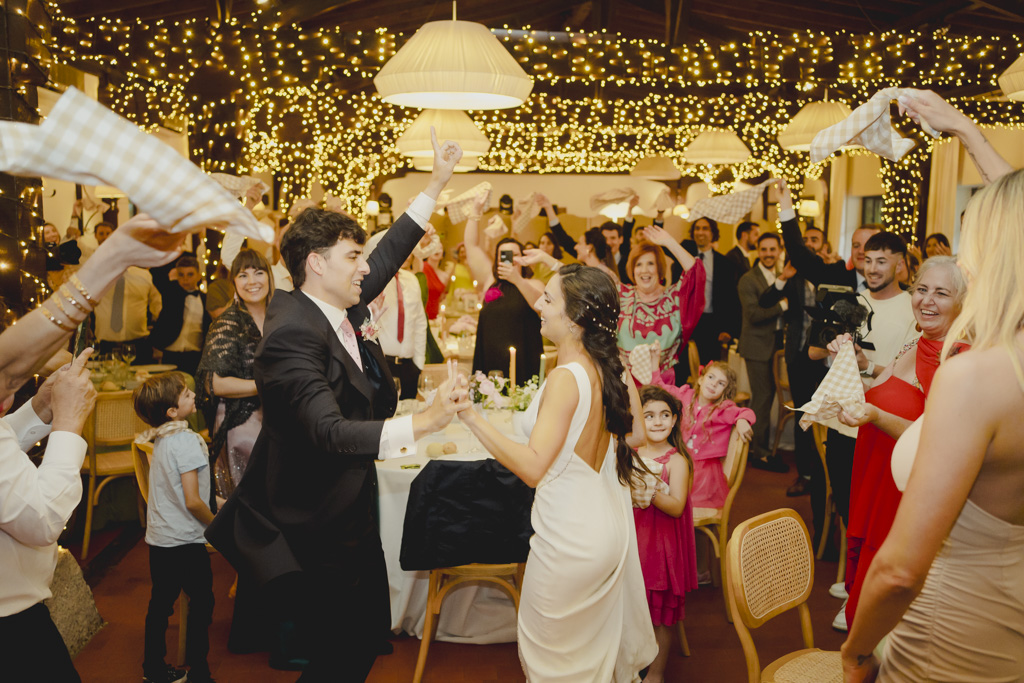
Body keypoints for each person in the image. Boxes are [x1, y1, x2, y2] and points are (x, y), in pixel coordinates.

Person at [205, 131, 468, 682]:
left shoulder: (333, 304)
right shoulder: (291, 335)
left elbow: (390, 252)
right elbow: (327, 430)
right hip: (311, 528)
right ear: (317, 264)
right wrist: (424, 422)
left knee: (357, 651)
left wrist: (437, 183)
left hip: (347, 508)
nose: (365, 267)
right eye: (354, 257)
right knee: (335, 659)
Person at [841, 173, 1024, 683]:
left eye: (974, 248)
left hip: (951, 613)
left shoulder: (970, 373)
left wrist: (856, 650)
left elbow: (901, 572)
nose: (967, 259)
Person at [454, 263, 657, 681]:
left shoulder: (568, 377)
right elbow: (635, 434)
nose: (538, 305)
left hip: (570, 539)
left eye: (548, 299)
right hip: (605, 530)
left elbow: (531, 468)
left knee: (553, 666)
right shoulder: (603, 366)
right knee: (587, 664)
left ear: (576, 318)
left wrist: (471, 418)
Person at [829, 256, 967, 629]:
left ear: (962, 302)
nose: (927, 301)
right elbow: (880, 390)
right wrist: (854, 365)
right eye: (922, 289)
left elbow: (935, 441)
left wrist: (874, 417)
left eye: (941, 293)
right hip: (873, 466)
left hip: (903, 486)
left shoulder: (957, 359)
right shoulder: (917, 340)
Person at [0, 350, 96, 683]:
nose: (10, 391)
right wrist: (68, 425)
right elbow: (42, 521)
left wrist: (40, 407)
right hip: (11, 628)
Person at [133, 372, 217, 683]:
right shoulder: (186, 442)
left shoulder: (162, 438)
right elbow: (193, 502)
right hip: (185, 539)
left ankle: (153, 668)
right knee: (202, 603)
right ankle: (200, 671)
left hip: (160, 538)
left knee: (160, 604)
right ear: (172, 411)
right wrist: (217, 525)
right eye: (185, 395)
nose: (192, 395)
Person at [632, 385, 698, 683]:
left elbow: (676, 506)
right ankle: (629, 664)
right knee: (632, 607)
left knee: (660, 614)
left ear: (674, 420)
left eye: (664, 415)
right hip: (632, 542)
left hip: (660, 547)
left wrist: (648, 487)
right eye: (649, 416)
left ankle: (656, 674)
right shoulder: (629, 454)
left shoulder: (676, 462)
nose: (657, 421)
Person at [196, 248, 273, 498]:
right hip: (241, 420)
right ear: (233, 283)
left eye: (259, 273)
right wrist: (262, 385)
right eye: (243, 275)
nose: (252, 282)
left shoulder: (280, 318)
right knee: (252, 496)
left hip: (278, 418)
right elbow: (212, 383)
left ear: (269, 277)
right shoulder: (228, 323)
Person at [463, 194, 544, 382]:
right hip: (490, 362)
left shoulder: (534, 284)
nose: (508, 259)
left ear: (523, 258)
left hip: (524, 364)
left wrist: (518, 280)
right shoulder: (491, 278)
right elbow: (471, 246)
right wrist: (475, 212)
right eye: (503, 255)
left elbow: (542, 308)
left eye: (513, 255)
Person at [615, 226, 704, 384]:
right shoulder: (621, 295)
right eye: (638, 264)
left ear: (659, 268)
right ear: (632, 269)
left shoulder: (674, 299)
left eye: (650, 263)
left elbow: (695, 273)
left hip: (662, 387)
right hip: (624, 386)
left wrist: (669, 243)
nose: (644, 270)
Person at [659, 361, 753, 509]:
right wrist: (653, 365)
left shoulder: (722, 409)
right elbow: (661, 388)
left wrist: (742, 420)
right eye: (711, 377)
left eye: (721, 383)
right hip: (681, 458)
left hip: (703, 471)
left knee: (677, 496)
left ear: (725, 390)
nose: (714, 384)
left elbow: (745, 412)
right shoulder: (685, 396)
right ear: (701, 379)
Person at [737, 232, 789, 472]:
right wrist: (781, 306)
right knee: (762, 399)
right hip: (756, 346)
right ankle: (758, 453)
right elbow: (754, 315)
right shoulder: (748, 279)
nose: (768, 254)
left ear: (779, 250)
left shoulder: (781, 277)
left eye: (772, 249)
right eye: (764, 249)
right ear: (758, 251)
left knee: (769, 399)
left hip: (775, 346)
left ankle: (761, 449)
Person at [676, 216, 741, 369]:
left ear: (713, 234)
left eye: (705, 228)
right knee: (682, 369)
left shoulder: (725, 264)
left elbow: (731, 299)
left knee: (708, 370)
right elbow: (665, 247)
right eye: (697, 228)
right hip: (684, 322)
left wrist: (729, 329)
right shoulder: (684, 255)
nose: (700, 232)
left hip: (711, 323)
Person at [537, 193, 623, 283]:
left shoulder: (601, 274)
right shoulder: (591, 270)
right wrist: (548, 208)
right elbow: (562, 238)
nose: (575, 247)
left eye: (580, 243)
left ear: (589, 247)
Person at [151, 254, 212, 376]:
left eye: (190, 274)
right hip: (171, 353)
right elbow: (156, 273)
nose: (185, 279)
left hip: (195, 355)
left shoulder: (206, 299)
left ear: (199, 276)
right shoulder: (171, 294)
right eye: (181, 275)